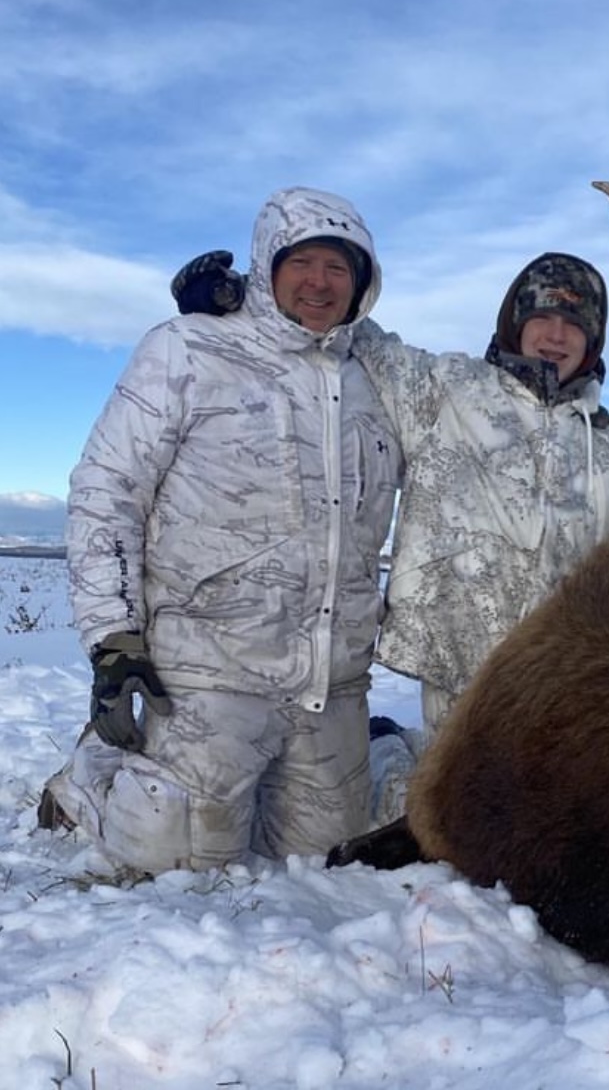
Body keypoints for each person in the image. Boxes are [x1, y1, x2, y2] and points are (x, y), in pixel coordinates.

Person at [172, 251, 609, 790]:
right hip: (459, 665)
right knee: (454, 810)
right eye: (542, 317)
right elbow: (343, 324)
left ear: (593, 340)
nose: (556, 336)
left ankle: (397, 748)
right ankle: (390, 751)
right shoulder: (448, 389)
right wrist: (240, 300)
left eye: (574, 324)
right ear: (516, 322)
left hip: (563, 685)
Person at [39, 188, 403, 874]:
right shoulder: (188, 348)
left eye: (338, 267)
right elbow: (108, 490)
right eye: (302, 262)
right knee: (174, 869)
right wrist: (113, 641)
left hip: (330, 684)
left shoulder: (379, 378)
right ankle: (90, 776)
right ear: (267, 266)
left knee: (323, 863)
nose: (319, 282)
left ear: (363, 283)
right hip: (207, 673)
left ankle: (365, 742)